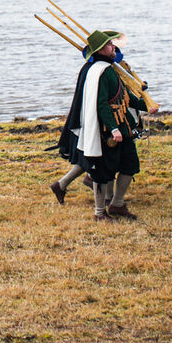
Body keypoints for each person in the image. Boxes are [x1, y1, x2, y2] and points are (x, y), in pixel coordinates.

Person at [56, 30, 149, 221]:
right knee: (102, 172)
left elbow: (124, 96)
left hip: (123, 127)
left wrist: (146, 104)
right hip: (106, 131)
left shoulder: (111, 69)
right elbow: (101, 104)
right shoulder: (100, 72)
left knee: (130, 166)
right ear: (99, 50)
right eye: (109, 45)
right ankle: (99, 213)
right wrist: (113, 129)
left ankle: (116, 204)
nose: (114, 47)